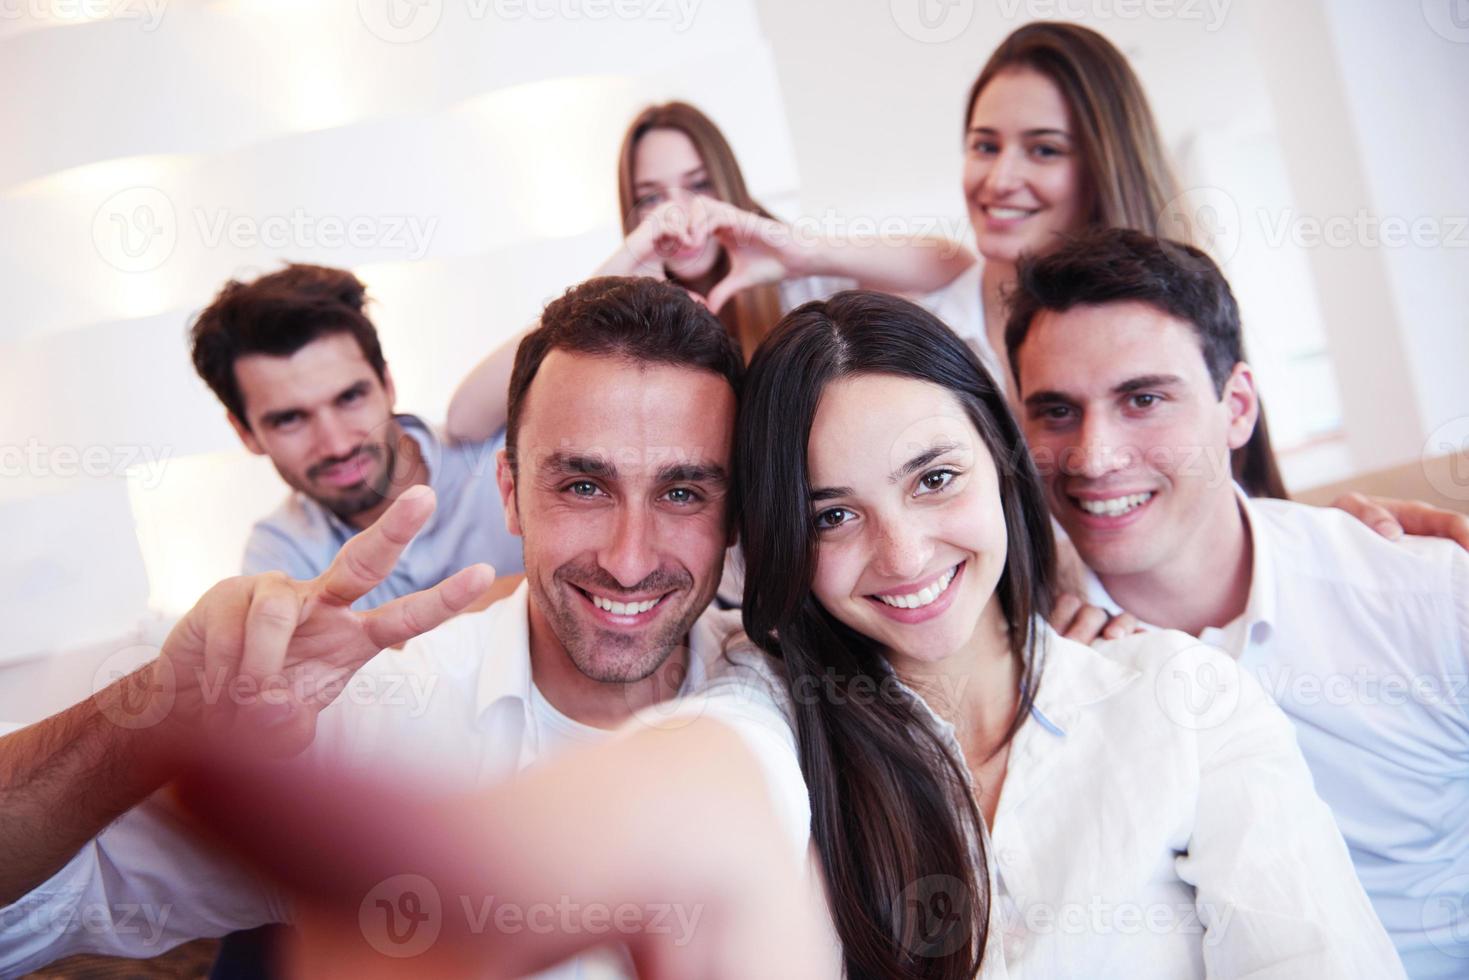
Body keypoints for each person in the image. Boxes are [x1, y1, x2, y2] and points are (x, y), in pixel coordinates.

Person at [0, 278, 823, 979]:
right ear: (508, 491)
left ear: (734, 514)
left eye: (683, 493)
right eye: (581, 485)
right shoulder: (368, 714)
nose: (629, 558)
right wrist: (156, 712)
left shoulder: (799, 698)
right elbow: (25, 917)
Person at [733, 289, 1403, 977]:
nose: (902, 556)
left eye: (934, 479)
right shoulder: (768, 727)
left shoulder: (1181, 699)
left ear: (1000, 459)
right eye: (831, 518)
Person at [1004, 228, 1469, 978]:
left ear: (1237, 408)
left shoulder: (1424, 599)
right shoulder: (1017, 661)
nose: (1093, 456)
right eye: (1055, 412)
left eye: (1143, 399)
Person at [445, 100, 973, 440]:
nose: (679, 213)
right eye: (651, 198)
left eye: (698, 186)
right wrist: (611, 279)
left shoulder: (799, 285)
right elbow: (466, 420)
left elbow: (951, 265)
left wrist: (805, 251)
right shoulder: (633, 320)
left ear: (727, 188)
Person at [189, 262, 523, 610]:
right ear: (246, 433)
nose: (337, 445)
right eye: (290, 419)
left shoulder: (505, 455)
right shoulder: (279, 554)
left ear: (387, 383)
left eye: (349, 398)